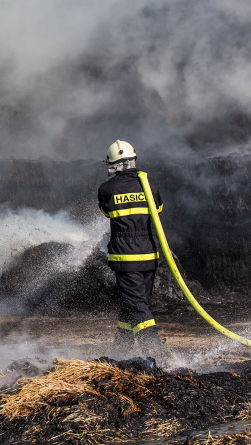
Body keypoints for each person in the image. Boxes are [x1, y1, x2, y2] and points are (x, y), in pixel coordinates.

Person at [97, 140, 164, 358]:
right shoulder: (149, 184)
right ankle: (119, 353)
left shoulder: (107, 189)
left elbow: (107, 213)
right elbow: (158, 209)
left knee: (137, 307)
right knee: (132, 305)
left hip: (126, 259)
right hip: (149, 256)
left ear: (114, 164)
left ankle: (155, 355)